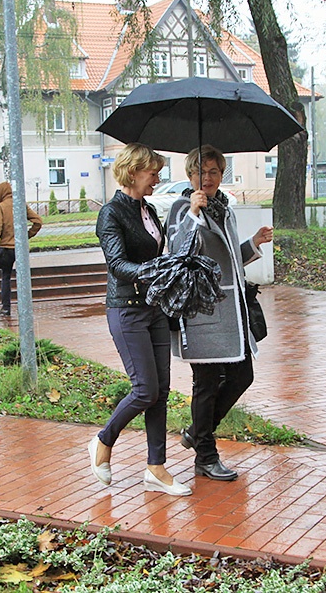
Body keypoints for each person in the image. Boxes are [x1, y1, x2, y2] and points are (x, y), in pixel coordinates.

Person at [164, 145, 273, 482]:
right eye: (201, 171)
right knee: (206, 384)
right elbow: (177, 252)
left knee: (242, 376)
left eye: (214, 172)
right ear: (189, 175)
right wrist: (194, 216)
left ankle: (197, 432)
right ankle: (205, 457)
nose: (207, 178)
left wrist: (253, 242)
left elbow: (228, 262)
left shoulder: (225, 209)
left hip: (232, 310)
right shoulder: (183, 208)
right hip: (202, 311)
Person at [88, 143, 190, 496]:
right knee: (144, 389)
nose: (157, 179)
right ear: (133, 173)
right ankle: (103, 440)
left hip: (154, 308)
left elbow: (156, 251)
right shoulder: (111, 213)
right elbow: (117, 265)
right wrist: (155, 269)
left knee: (160, 392)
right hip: (127, 309)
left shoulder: (147, 209)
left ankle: (156, 468)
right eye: (152, 173)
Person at [0, 181, 43, 316]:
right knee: (22, 277)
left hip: (6, 249)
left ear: (1, 193)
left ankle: (6, 308)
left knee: (6, 277)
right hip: (21, 249)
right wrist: (26, 236)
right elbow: (38, 221)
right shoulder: (20, 204)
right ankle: (25, 308)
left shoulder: (0, 207)